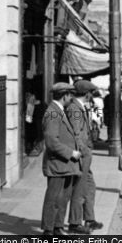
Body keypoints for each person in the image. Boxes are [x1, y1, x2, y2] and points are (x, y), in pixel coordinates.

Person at [40, 82, 82, 235]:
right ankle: (48, 230)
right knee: (53, 198)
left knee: (63, 197)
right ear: (65, 95)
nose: (72, 99)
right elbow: (51, 141)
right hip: (58, 163)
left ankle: (57, 227)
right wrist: (71, 153)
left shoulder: (58, 110)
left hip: (64, 164)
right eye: (71, 96)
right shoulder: (52, 113)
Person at [66, 79, 102, 234]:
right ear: (87, 94)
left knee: (89, 186)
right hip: (81, 155)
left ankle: (89, 218)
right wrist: (84, 151)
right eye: (91, 93)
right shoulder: (74, 108)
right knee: (79, 189)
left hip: (85, 154)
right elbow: (76, 133)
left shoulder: (79, 107)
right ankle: (75, 223)